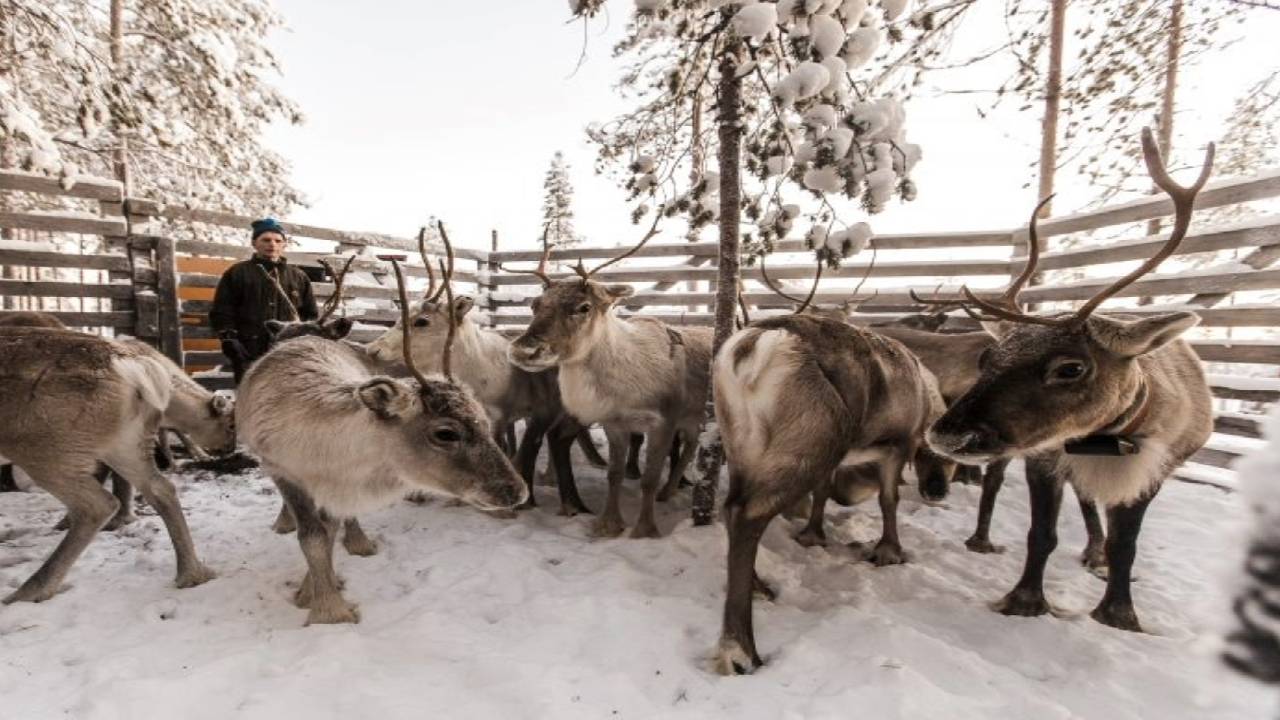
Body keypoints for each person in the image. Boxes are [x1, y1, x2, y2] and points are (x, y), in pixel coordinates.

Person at [210, 218, 319, 382]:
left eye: (277, 240)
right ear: (254, 243)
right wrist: (229, 339)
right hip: (249, 349)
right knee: (251, 396)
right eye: (266, 240)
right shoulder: (237, 273)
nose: (272, 245)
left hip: (288, 351)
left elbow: (310, 315)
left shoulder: (298, 277)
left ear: (284, 245)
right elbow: (222, 310)